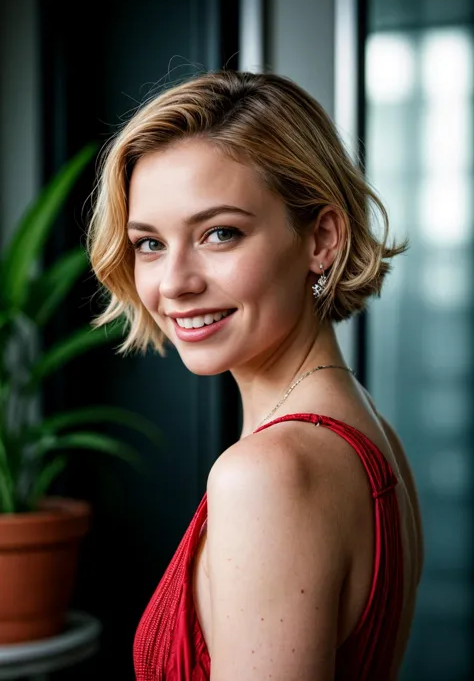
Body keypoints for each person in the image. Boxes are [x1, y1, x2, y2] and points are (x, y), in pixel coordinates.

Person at [87, 70, 423, 681]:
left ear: (321, 238)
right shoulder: (368, 431)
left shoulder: (267, 476)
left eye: (220, 233)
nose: (175, 283)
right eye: (150, 243)